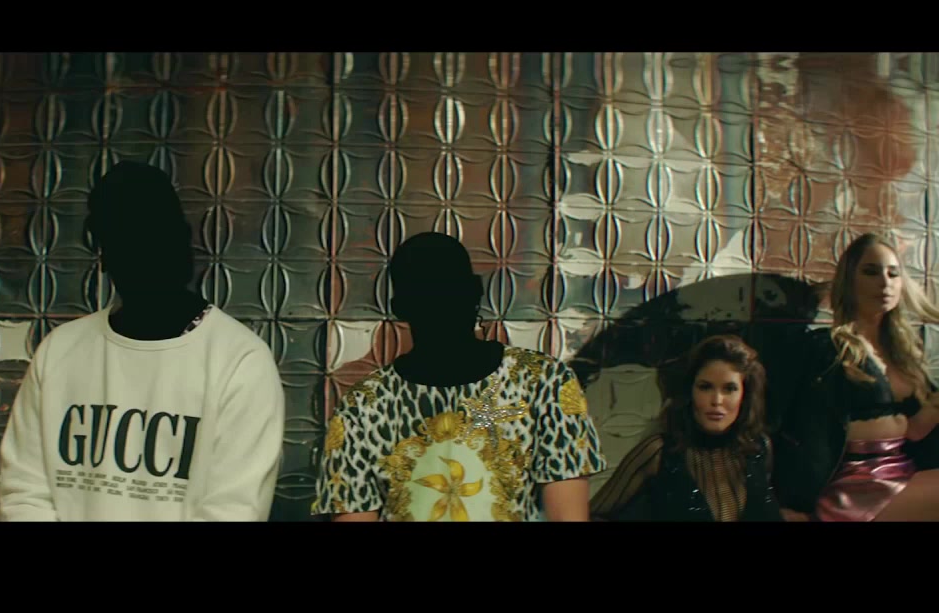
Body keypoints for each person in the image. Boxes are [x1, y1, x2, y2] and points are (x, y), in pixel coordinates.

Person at [0, 161, 286, 521]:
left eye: (156, 233)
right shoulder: (59, 351)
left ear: (183, 240)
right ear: (104, 254)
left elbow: (232, 511)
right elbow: (24, 493)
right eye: (126, 238)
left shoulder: (240, 361)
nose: (146, 251)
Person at [312, 232, 606, 522]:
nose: (439, 305)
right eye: (428, 295)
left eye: (446, 292)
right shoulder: (541, 380)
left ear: (398, 308)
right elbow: (568, 515)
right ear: (476, 292)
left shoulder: (364, 404)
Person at [771, 233, 939, 521]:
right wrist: (795, 504)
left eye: (893, 273)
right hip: (857, 483)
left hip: (903, 472)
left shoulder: (904, 351)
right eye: (871, 272)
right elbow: (806, 427)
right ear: (849, 281)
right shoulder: (829, 348)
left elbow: (915, 431)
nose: (885, 282)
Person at [589, 335, 782, 521]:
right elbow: (589, 514)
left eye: (729, 389)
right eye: (705, 387)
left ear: (744, 395)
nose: (717, 400)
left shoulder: (758, 448)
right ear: (689, 392)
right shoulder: (658, 452)